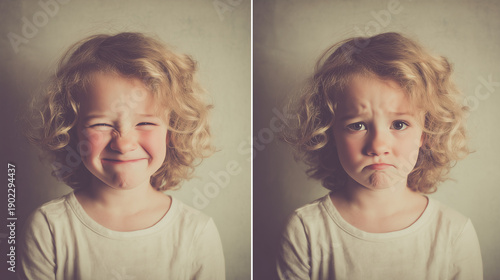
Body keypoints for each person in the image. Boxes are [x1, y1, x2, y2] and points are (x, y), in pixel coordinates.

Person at [20, 32, 225, 280]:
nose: (124, 143)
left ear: (172, 131)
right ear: (72, 131)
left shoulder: (197, 232)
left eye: (146, 123)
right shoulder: (48, 228)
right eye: (101, 124)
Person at [278, 32, 482, 280]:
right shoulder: (306, 230)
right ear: (330, 133)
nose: (377, 146)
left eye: (399, 125)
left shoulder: (454, 233)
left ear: (425, 133)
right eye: (357, 126)